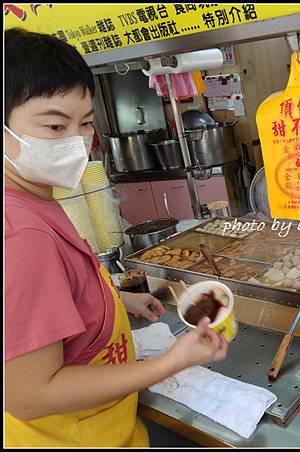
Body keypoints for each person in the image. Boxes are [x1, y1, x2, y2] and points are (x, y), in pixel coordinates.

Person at [4, 28, 229, 447]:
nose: (76, 141)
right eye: (55, 125)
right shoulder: (19, 234)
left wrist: (114, 301)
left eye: (85, 123)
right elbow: (29, 394)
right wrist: (171, 361)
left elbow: (43, 303)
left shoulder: (36, 198)